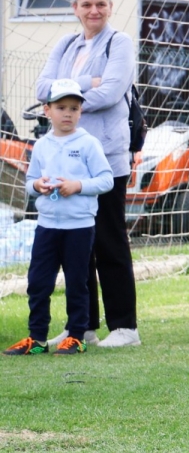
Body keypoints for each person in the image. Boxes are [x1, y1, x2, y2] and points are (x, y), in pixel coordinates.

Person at [35, 0, 140, 348]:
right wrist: (85, 81)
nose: (94, 10)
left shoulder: (120, 43)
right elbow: (41, 89)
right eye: (86, 4)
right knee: (78, 248)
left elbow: (111, 92)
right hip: (67, 164)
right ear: (75, 7)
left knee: (110, 242)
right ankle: (84, 326)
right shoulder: (66, 43)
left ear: (110, 6)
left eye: (101, 4)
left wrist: (66, 88)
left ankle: (125, 327)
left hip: (106, 161)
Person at [4, 80, 113, 356]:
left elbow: (106, 180)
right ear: (47, 110)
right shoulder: (41, 145)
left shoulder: (88, 143)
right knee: (38, 282)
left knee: (77, 281)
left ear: (81, 112)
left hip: (79, 227)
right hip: (47, 226)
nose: (68, 113)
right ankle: (37, 337)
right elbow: (29, 182)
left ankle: (77, 335)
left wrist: (78, 186)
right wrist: (37, 186)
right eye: (61, 107)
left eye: (74, 108)